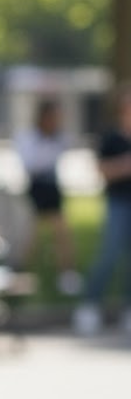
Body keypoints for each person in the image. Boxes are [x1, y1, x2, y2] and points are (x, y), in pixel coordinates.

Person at [73, 90, 131, 335]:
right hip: (117, 203)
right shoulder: (111, 139)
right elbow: (101, 170)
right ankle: (90, 304)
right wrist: (125, 165)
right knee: (108, 255)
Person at [13, 98, 82, 294]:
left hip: (52, 188)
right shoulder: (29, 137)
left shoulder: (58, 138)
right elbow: (32, 163)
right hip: (36, 188)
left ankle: (67, 274)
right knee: (30, 236)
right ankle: (21, 275)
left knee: (62, 233)